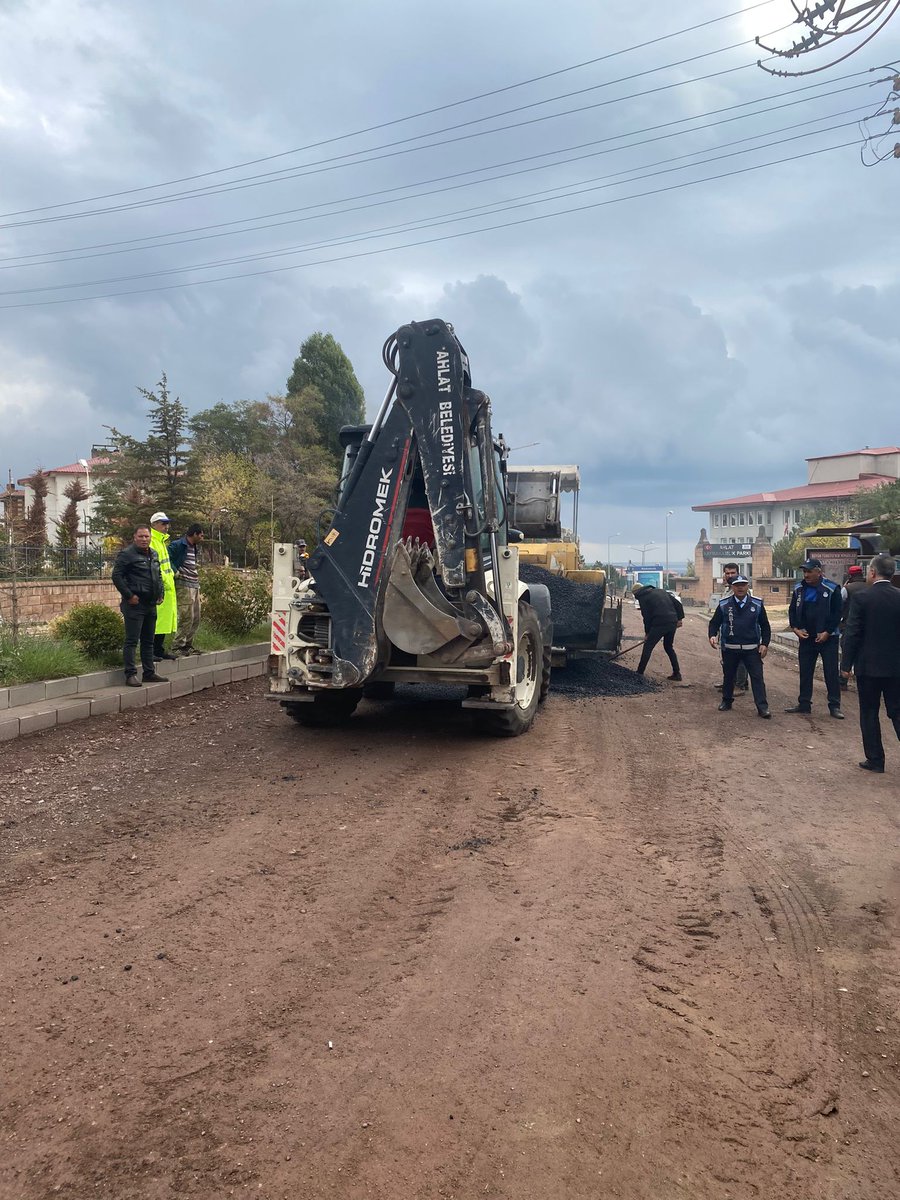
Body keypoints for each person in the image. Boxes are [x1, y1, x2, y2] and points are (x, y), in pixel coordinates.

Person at [840, 554, 900, 773]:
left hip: (869, 667)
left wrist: (845, 665)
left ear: (873, 572)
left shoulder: (862, 598)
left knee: (869, 712)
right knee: (897, 710)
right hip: (896, 667)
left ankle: (875, 760)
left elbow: (852, 633)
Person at [784, 556, 844, 719]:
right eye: (804, 571)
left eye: (809, 571)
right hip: (806, 637)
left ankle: (834, 706)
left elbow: (837, 613)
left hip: (828, 638)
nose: (806, 575)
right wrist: (795, 628)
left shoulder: (831, 589)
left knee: (830, 673)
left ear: (819, 572)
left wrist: (827, 632)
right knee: (805, 672)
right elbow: (792, 611)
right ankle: (804, 704)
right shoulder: (799, 589)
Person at [110, 526, 167, 686]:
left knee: (148, 641)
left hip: (151, 604)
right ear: (134, 537)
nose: (144, 539)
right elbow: (116, 576)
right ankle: (130, 674)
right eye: (141, 536)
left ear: (150, 538)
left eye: (146, 536)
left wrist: (160, 593)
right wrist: (129, 595)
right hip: (134, 605)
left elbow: (158, 575)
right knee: (132, 641)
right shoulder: (127, 554)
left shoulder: (153, 554)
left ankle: (149, 673)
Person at [708, 575, 771, 718]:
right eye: (737, 585)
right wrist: (712, 635)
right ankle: (727, 701)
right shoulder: (724, 604)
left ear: (747, 586)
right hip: (730, 648)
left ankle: (762, 707)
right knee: (728, 676)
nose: (740, 587)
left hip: (752, 649)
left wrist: (764, 644)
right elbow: (714, 623)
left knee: (757, 678)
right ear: (732, 587)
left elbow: (765, 626)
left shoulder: (757, 604)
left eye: (743, 584)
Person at [632, 582, 684, 680]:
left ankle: (639, 673)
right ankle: (677, 674)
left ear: (636, 593)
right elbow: (678, 604)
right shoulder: (661, 591)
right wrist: (679, 619)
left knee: (648, 646)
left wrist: (647, 633)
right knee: (668, 647)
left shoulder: (643, 597)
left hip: (660, 623)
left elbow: (646, 617)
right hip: (672, 621)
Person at [169, 523, 205, 656]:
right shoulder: (178, 545)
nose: (202, 537)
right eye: (201, 534)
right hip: (183, 584)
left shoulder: (194, 547)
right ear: (194, 534)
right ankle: (177, 645)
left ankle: (188, 644)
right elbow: (167, 558)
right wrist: (175, 570)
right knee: (186, 616)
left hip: (194, 584)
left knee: (196, 617)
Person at [716, 562, 749, 694]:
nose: (730, 575)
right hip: (726, 630)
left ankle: (739, 685)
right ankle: (730, 682)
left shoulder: (742, 589)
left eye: (732, 573)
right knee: (728, 659)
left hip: (741, 631)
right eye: (727, 573)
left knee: (740, 659)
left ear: (738, 573)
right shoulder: (727, 589)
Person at [149, 511, 178, 660]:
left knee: (164, 622)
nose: (166, 526)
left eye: (167, 523)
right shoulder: (152, 541)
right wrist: (162, 583)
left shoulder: (161, 541)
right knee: (157, 621)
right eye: (163, 523)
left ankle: (159, 649)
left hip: (167, 586)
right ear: (154, 525)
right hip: (160, 588)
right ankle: (152, 651)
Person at [839, 564, 868, 690]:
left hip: (849, 625)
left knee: (847, 652)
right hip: (867, 627)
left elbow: (839, 605)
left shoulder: (847, 589)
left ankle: (842, 681)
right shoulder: (870, 587)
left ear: (850, 576)